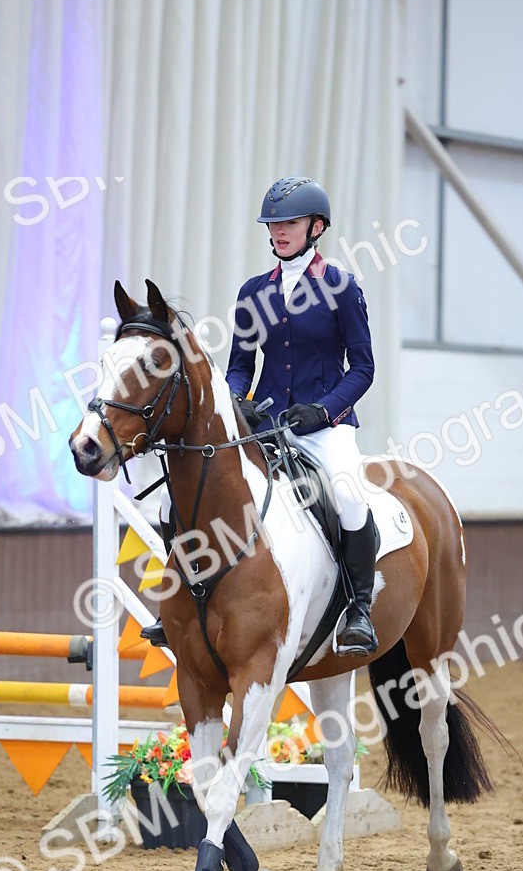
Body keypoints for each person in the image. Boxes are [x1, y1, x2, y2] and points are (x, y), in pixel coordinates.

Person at [142, 175, 378, 656]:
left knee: (349, 493)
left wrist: (325, 409)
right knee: (171, 504)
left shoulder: (341, 288)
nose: (278, 232)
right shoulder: (253, 292)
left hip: (323, 428)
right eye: (272, 224)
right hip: (264, 426)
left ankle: (358, 607)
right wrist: (236, 402)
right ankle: (181, 600)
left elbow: (364, 367)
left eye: (289, 223)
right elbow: (240, 366)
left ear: (316, 227)